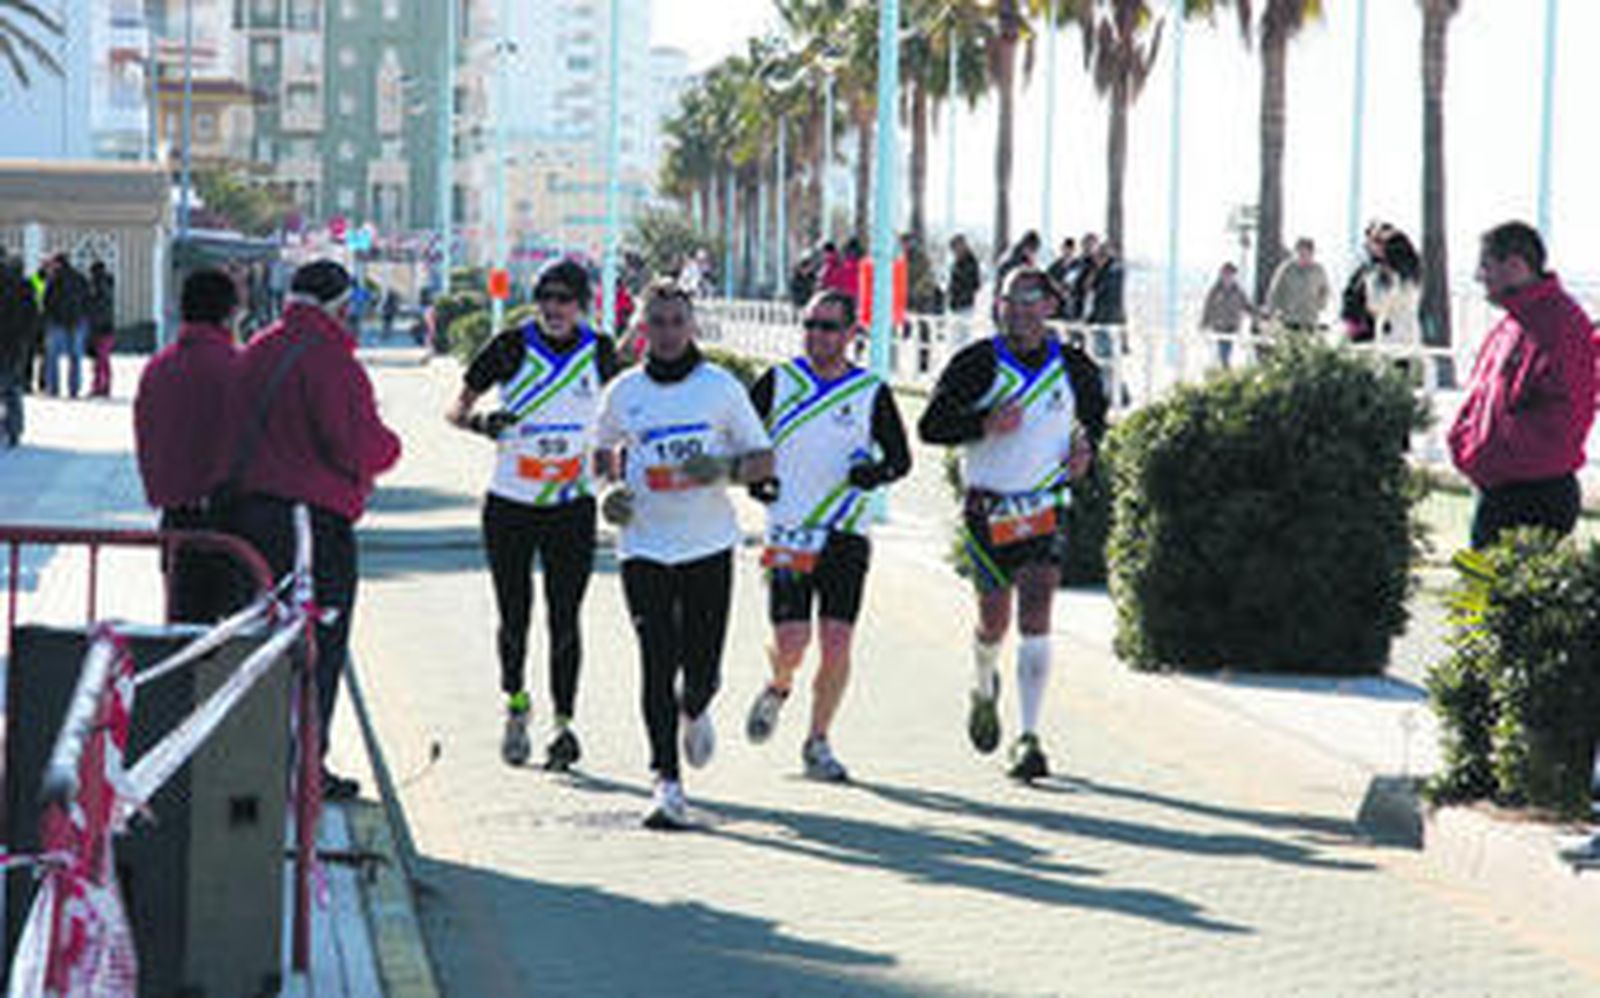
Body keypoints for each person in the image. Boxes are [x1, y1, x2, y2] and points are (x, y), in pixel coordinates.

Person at [594, 281, 774, 829]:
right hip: (644, 545)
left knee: (701, 671)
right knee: (655, 660)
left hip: (708, 545)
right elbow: (601, 453)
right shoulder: (624, 392)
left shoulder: (719, 388)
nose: (668, 332)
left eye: (678, 321)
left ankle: (694, 708)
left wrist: (720, 471)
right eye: (658, 322)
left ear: (692, 326)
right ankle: (665, 782)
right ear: (642, 328)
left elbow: (764, 461)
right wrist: (607, 492)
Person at [918, 266, 1107, 781]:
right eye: (1009, 300)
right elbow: (930, 427)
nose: (1019, 309)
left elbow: (1094, 428)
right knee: (994, 622)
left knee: (1038, 611)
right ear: (997, 307)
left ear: (1049, 305)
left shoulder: (1076, 367)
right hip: (988, 508)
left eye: (1030, 299)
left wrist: (1086, 455)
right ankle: (983, 683)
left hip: (1044, 505)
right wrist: (983, 424)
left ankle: (1028, 736)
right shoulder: (976, 363)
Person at [227, 260, 402, 800]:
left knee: (259, 644)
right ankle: (305, 768)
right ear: (341, 305)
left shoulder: (259, 346)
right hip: (310, 522)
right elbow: (357, 442)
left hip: (249, 517)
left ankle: (253, 760)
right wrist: (390, 447)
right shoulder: (331, 359)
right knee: (316, 646)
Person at [446, 259, 621, 771]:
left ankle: (565, 726)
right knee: (514, 618)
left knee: (565, 619)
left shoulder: (600, 350)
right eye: (545, 297)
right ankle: (516, 706)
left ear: (581, 304)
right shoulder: (510, 345)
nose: (553, 308)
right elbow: (454, 409)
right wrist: (481, 421)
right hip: (510, 506)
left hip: (571, 507)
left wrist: (615, 473)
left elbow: (619, 419)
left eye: (564, 298)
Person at [741, 289, 912, 782]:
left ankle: (817, 742)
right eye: (811, 325)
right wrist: (758, 481)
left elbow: (899, 459)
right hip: (790, 530)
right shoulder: (778, 381)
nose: (817, 336)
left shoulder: (869, 391)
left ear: (851, 334)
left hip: (845, 531)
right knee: (792, 643)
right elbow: (744, 442)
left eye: (829, 327)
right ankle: (778, 686)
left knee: (836, 644)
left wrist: (872, 476)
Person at [1448, 221, 1597, 550]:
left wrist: (1496, 455)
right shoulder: (1515, 324)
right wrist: (1469, 447)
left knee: (1503, 598)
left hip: (1531, 494)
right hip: (1502, 489)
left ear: (1515, 266)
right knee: (1480, 595)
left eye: (1485, 265)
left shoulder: (1561, 325)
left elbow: (1568, 413)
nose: (1478, 276)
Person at [133, 269, 241, 622]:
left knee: (181, 624)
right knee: (228, 634)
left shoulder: (158, 367)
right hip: (230, 518)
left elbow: (145, 434)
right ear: (230, 312)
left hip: (176, 514)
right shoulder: (238, 367)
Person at [0, 253, 38, 448]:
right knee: (12, 388)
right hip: (16, 344)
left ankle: (9, 427)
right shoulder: (25, 286)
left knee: (8, 387)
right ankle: (14, 428)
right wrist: (29, 339)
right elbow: (33, 314)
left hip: (7, 342)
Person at [41, 254, 89, 398]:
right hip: (77, 321)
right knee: (76, 358)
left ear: (58, 264)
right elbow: (87, 299)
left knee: (52, 357)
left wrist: (48, 316)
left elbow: (47, 300)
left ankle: (53, 387)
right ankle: (74, 388)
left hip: (57, 322)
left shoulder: (54, 280)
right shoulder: (80, 278)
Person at [1264, 237, 1330, 335]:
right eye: (1300, 252)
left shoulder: (1318, 271)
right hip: (1289, 318)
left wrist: (1320, 305)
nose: (1303, 256)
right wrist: (1272, 311)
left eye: (1306, 253)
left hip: (1309, 319)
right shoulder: (1287, 270)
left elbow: (1324, 290)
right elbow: (1275, 291)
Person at [1200, 262, 1254, 368]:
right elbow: (1208, 307)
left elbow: (1247, 306)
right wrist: (1204, 323)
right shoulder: (1215, 291)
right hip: (1218, 326)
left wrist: (1260, 315)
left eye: (1231, 274)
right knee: (1221, 351)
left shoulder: (1238, 291)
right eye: (1226, 274)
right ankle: (1224, 368)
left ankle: (1226, 368)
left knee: (1229, 350)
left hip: (1232, 326)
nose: (1228, 277)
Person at [86, 260, 116, 398]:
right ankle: (102, 385)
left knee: (101, 361)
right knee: (102, 360)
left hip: (100, 329)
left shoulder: (99, 288)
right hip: (107, 328)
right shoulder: (107, 286)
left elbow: (97, 309)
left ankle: (101, 386)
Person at [947, 235, 982, 314]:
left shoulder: (970, 263)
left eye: (957, 247)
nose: (956, 251)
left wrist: (963, 293)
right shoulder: (956, 263)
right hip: (955, 305)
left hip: (966, 306)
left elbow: (975, 284)